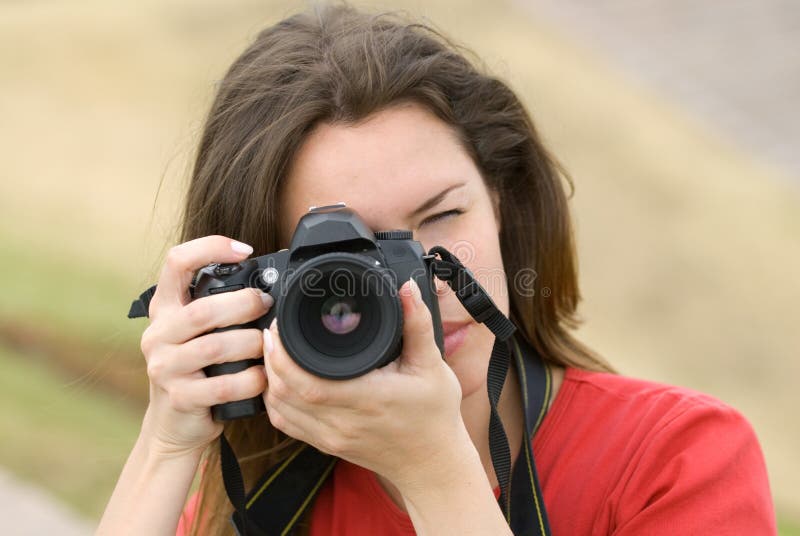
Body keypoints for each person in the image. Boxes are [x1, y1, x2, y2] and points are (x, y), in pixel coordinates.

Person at [97, 4, 776, 535]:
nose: (418, 286)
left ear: (502, 202)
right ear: (270, 293)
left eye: (443, 215)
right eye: (352, 255)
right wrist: (167, 440)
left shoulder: (675, 461)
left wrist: (433, 472)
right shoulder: (268, 498)